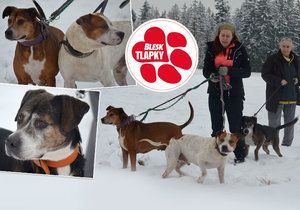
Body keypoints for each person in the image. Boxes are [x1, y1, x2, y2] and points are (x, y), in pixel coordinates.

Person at [203, 22, 251, 163]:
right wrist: (211, 76)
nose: (224, 38)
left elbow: (247, 72)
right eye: (222, 35)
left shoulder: (240, 49)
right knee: (216, 125)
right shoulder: (212, 48)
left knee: (235, 126)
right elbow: (206, 69)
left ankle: (240, 156)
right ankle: (214, 154)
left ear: (232, 36)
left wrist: (229, 71)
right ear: (219, 35)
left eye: (227, 35)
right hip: (215, 93)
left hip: (234, 94)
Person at [261, 37, 300, 146]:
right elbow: (265, 74)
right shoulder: (273, 59)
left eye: (288, 46)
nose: (286, 49)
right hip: (275, 99)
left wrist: (298, 79)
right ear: (280, 46)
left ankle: (287, 146)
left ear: (292, 47)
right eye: (283, 46)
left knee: (289, 125)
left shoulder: (296, 59)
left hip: (291, 98)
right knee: (274, 126)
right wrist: (278, 81)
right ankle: (274, 145)